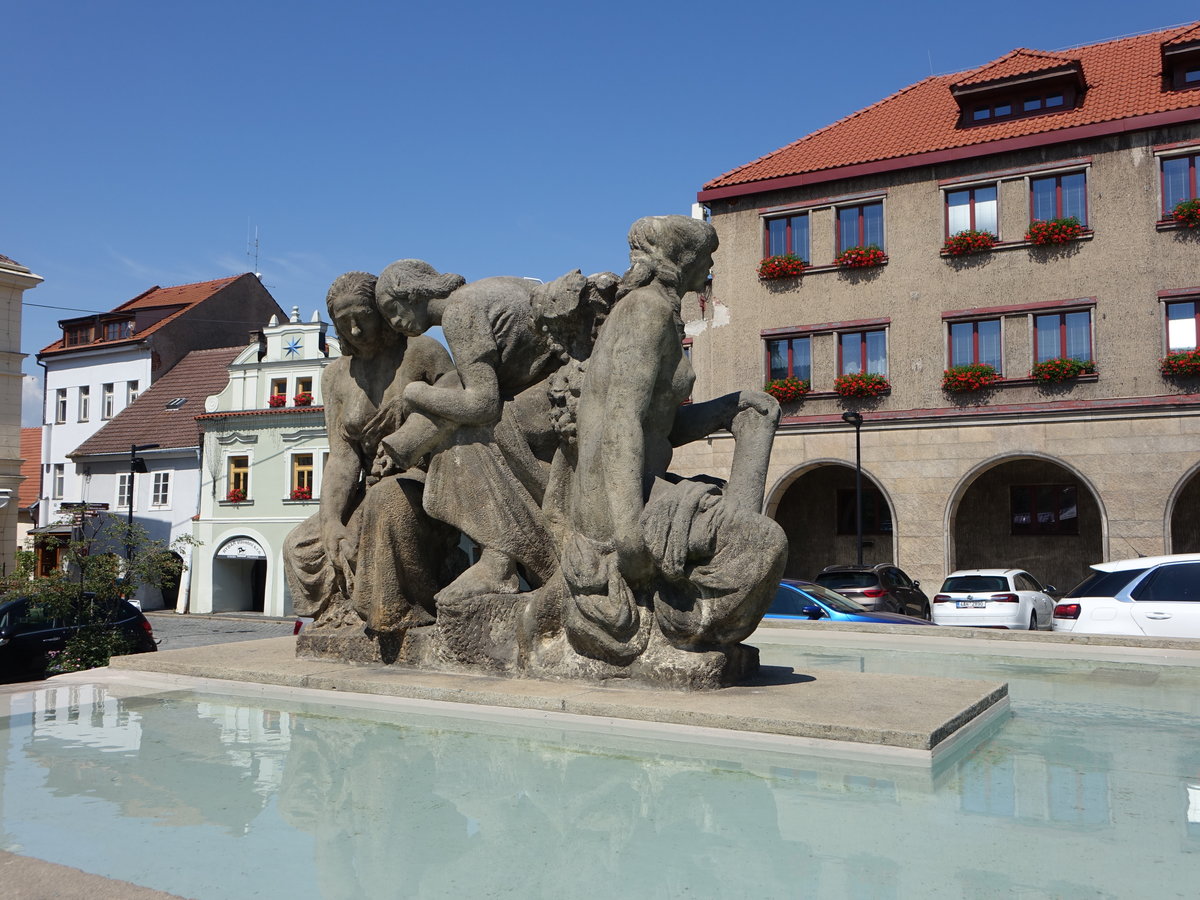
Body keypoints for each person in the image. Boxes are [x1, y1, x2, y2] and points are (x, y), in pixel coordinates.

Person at [558, 215, 788, 664]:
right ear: (683, 261)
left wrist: (732, 407)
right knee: (762, 543)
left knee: (737, 524)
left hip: (638, 488)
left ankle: (687, 620)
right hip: (618, 501)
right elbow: (622, 423)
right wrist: (628, 535)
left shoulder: (654, 312)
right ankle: (684, 624)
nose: (710, 269)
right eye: (707, 258)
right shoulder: (647, 311)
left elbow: (659, 428)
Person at [372, 260, 613, 603]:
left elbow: (483, 405)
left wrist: (414, 393)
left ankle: (497, 564)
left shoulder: (459, 312)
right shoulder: (488, 287)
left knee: (459, 443)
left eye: (393, 310)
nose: (395, 323)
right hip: (568, 386)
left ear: (411, 293)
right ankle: (405, 446)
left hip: (563, 395)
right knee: (453, 385)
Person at [282, 271, 459, 633]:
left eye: (362, 317)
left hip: (424, 480)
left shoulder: (421, 352)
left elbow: (458, 412)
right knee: (301, 544)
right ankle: (337, 614)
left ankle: (399, 612)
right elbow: (343, 456)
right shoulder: (334, 377)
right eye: (344, 323)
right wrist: (331, 520)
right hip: (369, 487)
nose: (356, 331)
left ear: (380, 312)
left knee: (385, 506)